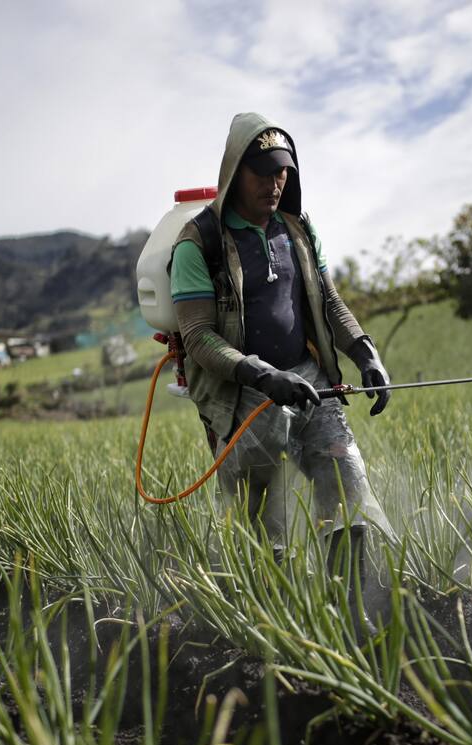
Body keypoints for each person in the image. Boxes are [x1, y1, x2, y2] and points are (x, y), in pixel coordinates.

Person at [169, 112, 393, 621]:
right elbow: (199, 338)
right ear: (235, 174)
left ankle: (352, 613)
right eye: (263, 173)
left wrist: (363, 351)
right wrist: (263, 375)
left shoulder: (296, 229)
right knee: (265, 528)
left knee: (347, 489)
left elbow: (330, 302)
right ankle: (279, 631)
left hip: (309, 380)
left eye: (283, 173)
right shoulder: (197, 244)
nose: (275, 184)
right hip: (245, 394)